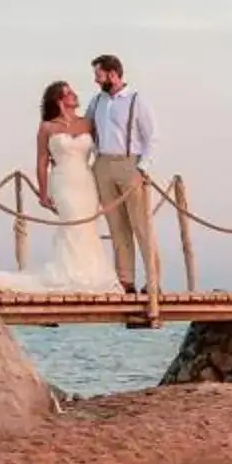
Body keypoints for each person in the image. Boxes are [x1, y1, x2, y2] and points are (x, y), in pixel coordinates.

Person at [0, 81, 120, 294]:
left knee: (87, 227)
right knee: (71, 224)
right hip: (63, 181)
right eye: (68, 93)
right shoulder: (47, 127)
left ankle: (90, 273)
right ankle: (71, 273)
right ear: (59, 100)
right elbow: (42, 160)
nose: (74, 95)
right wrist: (43, 192)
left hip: (86, 181)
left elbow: (103, 149)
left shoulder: (88, 123)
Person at [84, 53, 156, 292]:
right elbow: (86, 129)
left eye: (99, 74)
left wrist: (142, 168)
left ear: (112, 74)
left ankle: (154, 279)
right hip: (103, 164)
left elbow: (151, 137)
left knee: (141, 225)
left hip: (130, 163)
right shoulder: (96, 102)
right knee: (116, 226)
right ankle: (126, 280)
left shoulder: (136, 100)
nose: (96, 80)